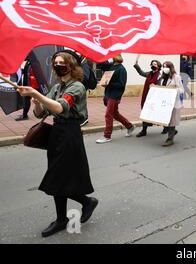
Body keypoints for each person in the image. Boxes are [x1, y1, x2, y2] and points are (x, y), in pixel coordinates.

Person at [17, 50, 97, 238]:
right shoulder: (56, 87)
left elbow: (61, 107)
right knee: (58, 177)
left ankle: (78, 208)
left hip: (70, 133)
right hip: (56, 133)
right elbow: (40, 112)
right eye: (55, 62)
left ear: (71, 65)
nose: (57, 65)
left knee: (57, 177)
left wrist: (37, 93)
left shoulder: (77, 87)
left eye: (62, 62)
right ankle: (81, 206)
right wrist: (36, 101)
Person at [96, 54, 135, 144]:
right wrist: (101, 57)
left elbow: (121, 85)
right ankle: (129, 126)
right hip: (108, 93)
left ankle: (107, 136)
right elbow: (101, 66)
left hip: (115, 95)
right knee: (115, 114)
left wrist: (108, 84)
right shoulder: (111, 66)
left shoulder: (121, 69)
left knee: (108, 114)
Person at [157, 61, 184, 146]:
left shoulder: (176, 77)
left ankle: (170, 139)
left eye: (166, 66)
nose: (165, 68)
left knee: (171, 120)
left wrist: (174, 89)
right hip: (165, 102)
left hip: (174, 102)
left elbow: (181, 89)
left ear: (171, 67)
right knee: (166, 120)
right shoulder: (162, 77)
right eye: (164, 66)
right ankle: (172, 131)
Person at [133, 59, 162, 137]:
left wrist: (155, 86)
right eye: (152, 64)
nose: (153, 65)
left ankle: (167, 128)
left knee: (158, 113)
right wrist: (136, 65)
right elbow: (141, 72)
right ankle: (144, 130)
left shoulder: (160, 75)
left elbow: (162, 86)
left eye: (155, 64)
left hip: (156, 97)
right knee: (145, 112)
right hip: (147, 96)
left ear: (158, 66)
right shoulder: (149, 73)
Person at [16, 56, 41, 121]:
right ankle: (24, 115)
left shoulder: (34, 63)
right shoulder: (29, 62)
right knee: (27, 100)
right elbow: (25, 72)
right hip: (30, 84)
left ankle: (25, 116)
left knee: (27, 100)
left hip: (33, 85)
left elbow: (33, 74)